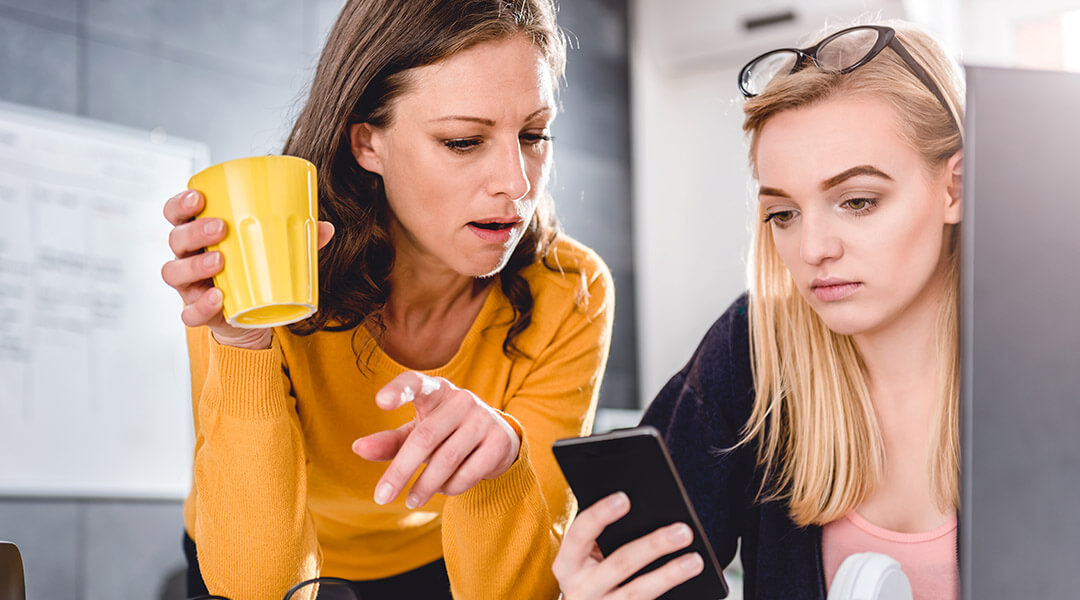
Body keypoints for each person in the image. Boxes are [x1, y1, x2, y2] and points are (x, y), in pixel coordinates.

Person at [160, 1, 614, 599]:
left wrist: (499, 466)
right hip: (256, 544)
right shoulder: (259, 265)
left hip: (435, 561)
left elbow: (521, 589)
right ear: (367, 144)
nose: (517, 182)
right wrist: (242, 340)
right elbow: (257, 589)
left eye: (534, 135)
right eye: (461, 141)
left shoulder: (571, 291)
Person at [553, 20, 963, 600]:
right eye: (784, 214)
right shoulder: (751, 350)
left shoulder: (1046, 371)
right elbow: (647, 570)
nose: (814, 248)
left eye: (858, 201)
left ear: (955, 190)